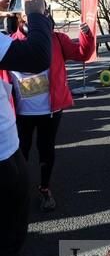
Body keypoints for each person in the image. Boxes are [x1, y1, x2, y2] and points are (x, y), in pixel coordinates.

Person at [2, 12, 95, 212]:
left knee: (46, 151)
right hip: (19, 113)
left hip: (50, 111)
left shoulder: (56, 39)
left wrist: (86, 34)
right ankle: (20, 190)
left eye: (40, 14)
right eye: (29, 15)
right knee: (20, 153)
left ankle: (44, 188)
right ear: (21, 19)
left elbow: (82, 54)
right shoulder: (10, 42)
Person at [0, 0, 52, 256]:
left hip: (37, 118)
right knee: (8, 239)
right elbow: (36, 57)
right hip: (4, 156)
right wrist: (36, 14)